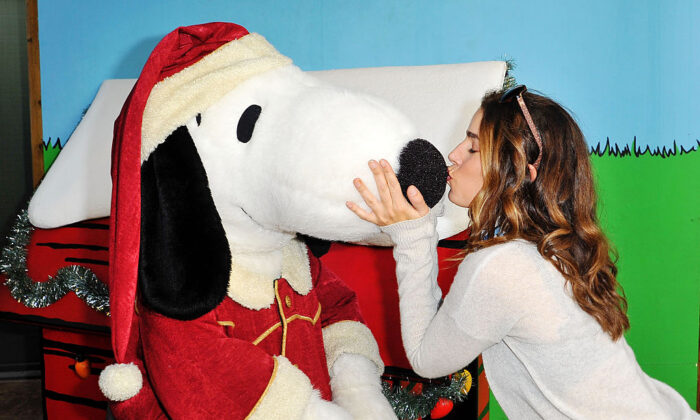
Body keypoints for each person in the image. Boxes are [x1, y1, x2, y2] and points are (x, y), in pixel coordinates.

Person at [346, 86, 699, 419]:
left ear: (521, 173)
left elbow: (427, 358)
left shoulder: (504, 266)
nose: (452, 154)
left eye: (472, 148)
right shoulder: (552, 249)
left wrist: (412, 236)